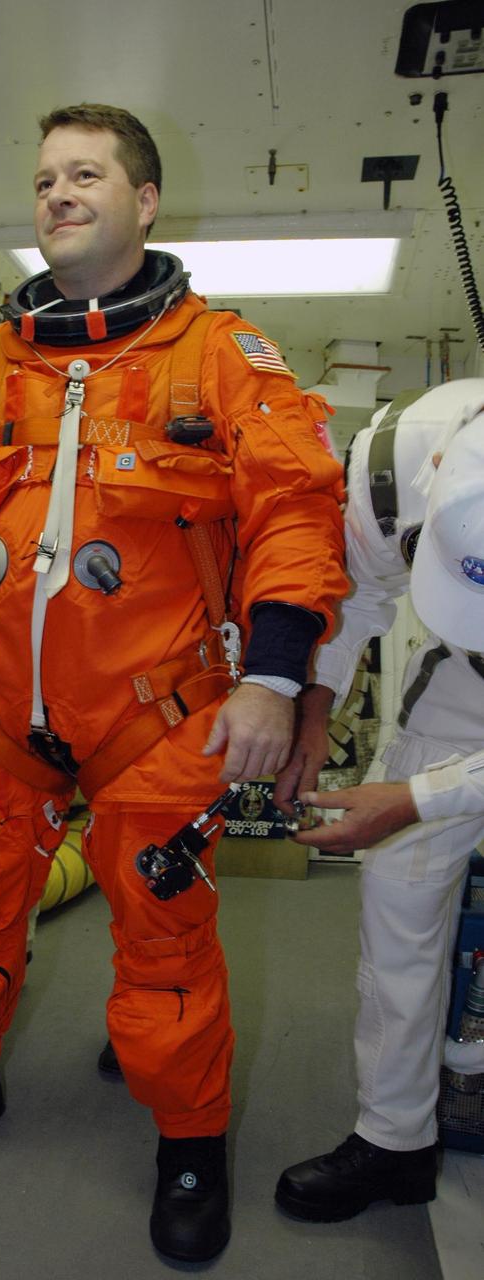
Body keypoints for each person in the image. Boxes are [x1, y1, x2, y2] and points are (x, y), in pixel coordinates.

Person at [0, 102, 347, 1263]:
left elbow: (293, 509)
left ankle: (189, 1140)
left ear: (144, 201)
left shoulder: (217, 355)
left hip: (155, 712)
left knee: (163, 943)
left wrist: (274, 676)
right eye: (43, 180)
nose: (58, 194)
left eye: (85, 174)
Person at [273, 380, 484, 1222]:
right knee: (398, 893)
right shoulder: (397, 458)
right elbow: (357, 594)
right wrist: (311, 715)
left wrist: (418, 799)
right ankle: (395, 1141)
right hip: (461, 689)